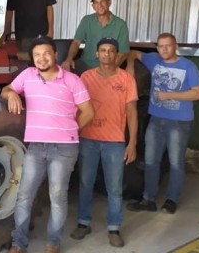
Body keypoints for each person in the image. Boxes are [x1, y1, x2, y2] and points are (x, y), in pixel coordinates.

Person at [1, 36, 94, 253]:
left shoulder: (71, 80)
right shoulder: (27, 76)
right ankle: (18, 243)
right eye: (37, 55)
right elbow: (5, 89)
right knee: (24, 195)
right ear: (33, 59)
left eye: (46, 53)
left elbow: (89, 112)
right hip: (36, 146)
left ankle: (53, 243)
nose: (42, 58)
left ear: (55, 55)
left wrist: (70, 130)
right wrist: (12, 93)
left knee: (57, 196)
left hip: (64, 148)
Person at [126, 33, 199, 214]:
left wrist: (170, 95)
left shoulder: (188, 66)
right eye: (160, 46)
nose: (164, 49)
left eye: (168, 46)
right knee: (151, 160)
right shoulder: (154, 60)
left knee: (176, 162)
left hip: (179, 121)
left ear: (175, 46)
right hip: (156, 119)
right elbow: (134, 53)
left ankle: (171, 200)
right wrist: (130, 65)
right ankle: (148, 199)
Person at [70, 37, 138, 248]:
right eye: (103, 50)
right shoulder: (86, 77)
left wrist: (132, 143)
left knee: (115, 187)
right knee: (85, 183)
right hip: (88, 139)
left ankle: (114, 228)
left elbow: (132, 113)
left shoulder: (126, 79)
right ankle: (83, 222)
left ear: (117, 55)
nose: (107, 54)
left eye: (111, 51)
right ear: (96, 54)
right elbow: (77, 108)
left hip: (115, 142)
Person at [61, 0, 130, 75]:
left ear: (109, 3)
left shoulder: (120, 24)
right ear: (93, 6)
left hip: (107, 66)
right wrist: (69, 59)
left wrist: (109, 70)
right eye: (96, 3)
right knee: (64, 73)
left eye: (102, 2)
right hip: (85, 63)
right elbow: (76, 42)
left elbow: (123, 52)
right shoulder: (87, 20)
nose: (100, 5)